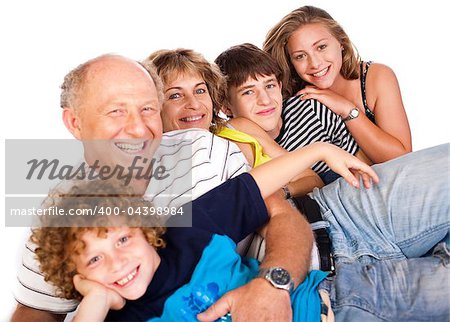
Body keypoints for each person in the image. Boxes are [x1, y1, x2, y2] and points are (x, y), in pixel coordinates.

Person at [10, 54, 312, 322]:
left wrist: (272, 286)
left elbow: (281, 217)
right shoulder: (63, 216)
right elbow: (37, 309)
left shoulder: (202, 149)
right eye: (116, 111)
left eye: (148, 109)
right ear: (75, 123)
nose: (140, 129)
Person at [32, 130, 376, 320]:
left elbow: (250, 188)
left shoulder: (185, 231)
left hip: (336, 302)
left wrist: (318, 150)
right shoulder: (119, 317)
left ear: (145, 227)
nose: (117, 262)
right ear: (75, 276)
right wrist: (95, 300)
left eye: (122, 240)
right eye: (94, 259)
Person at [146, 48, 324, 197]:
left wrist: (281, 192)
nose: (194, 104)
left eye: (200, 90)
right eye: (175, 95)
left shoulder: (238, 128)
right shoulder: (154, 166)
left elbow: (312, 179)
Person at [263, 5, 412, 164]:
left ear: (341, 41)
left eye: (321, 47)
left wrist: (346, 109)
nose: (315, 63)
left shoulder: (376, 77)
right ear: (291, 62)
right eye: (300, 56)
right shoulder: (294, 101)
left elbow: (402, 159)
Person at [216, 43, 369, 184]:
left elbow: (365, 165)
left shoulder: (311, 108)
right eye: (248, 92)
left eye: (269, 86)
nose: (265, 100)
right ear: (226, 107)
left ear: (280, 86)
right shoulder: (234, 149)